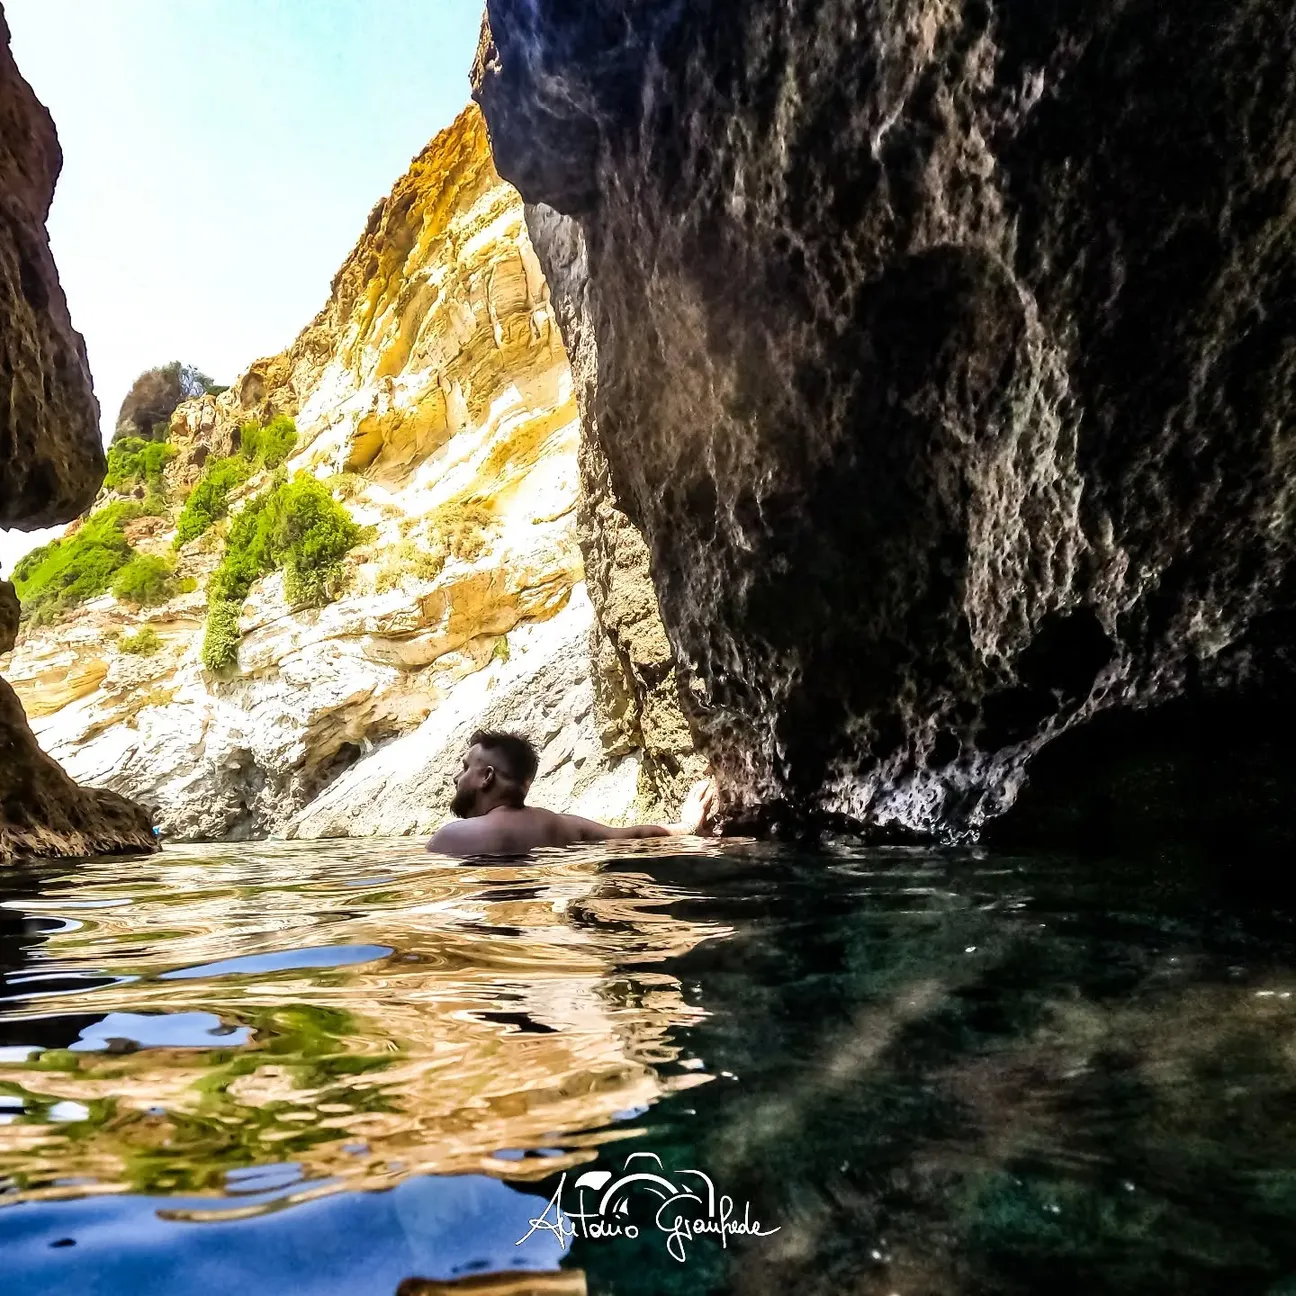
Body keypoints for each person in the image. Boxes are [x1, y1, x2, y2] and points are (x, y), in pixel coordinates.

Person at [425, 729, 718, 858]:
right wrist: (688, 827)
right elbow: (633, 836)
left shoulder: (452, 837)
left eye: (464, 767)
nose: (455, 776)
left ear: (486, 777)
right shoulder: (564, 826)